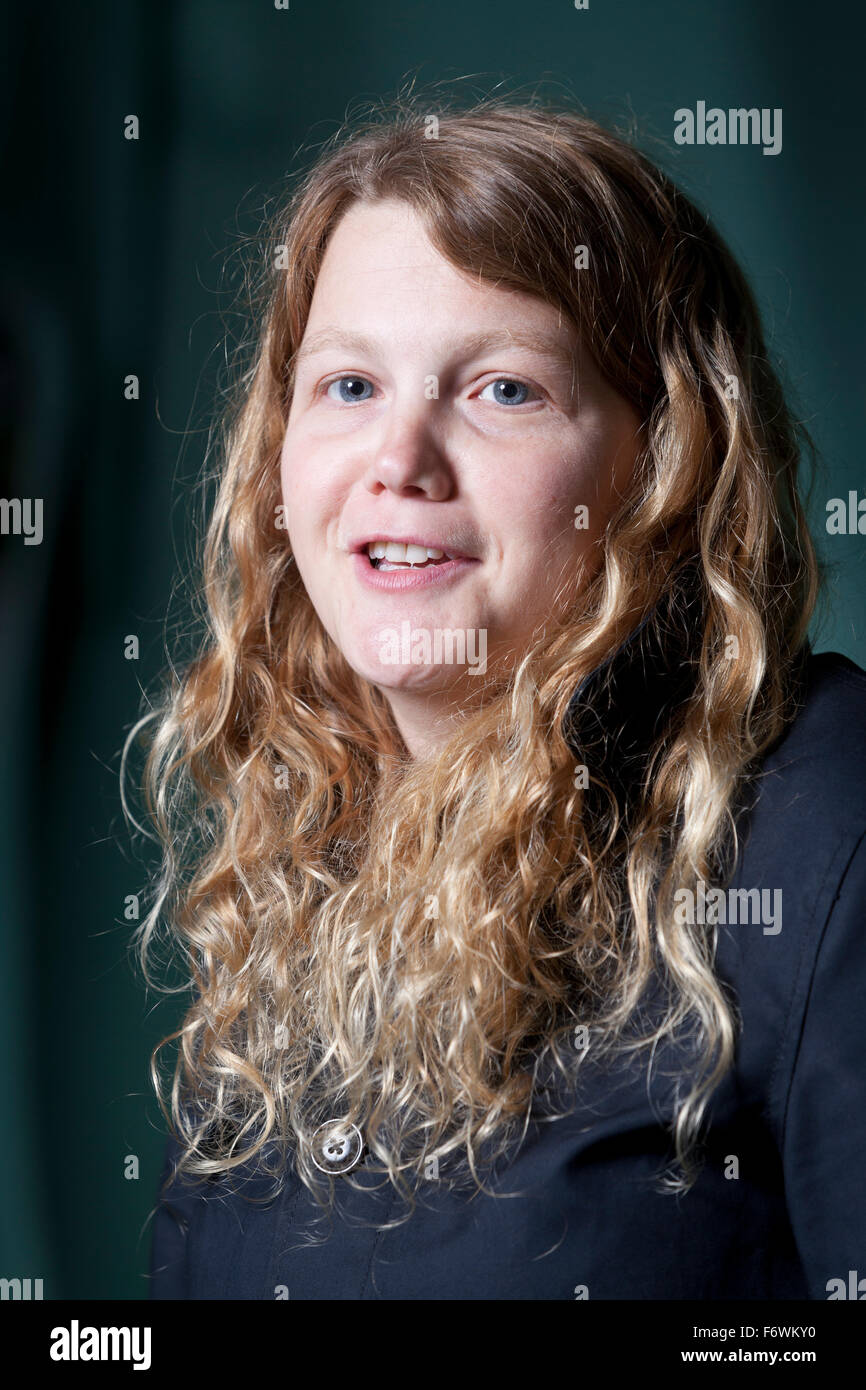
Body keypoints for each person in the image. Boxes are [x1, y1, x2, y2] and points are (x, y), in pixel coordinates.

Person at [134, 98, 866, 1300]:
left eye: (504, 391)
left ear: (664, 460)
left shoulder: (821, 818)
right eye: (350, 384)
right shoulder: (295, 857)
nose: (400, 459)